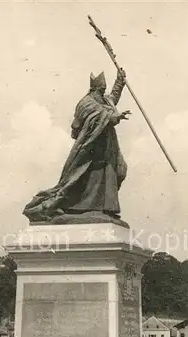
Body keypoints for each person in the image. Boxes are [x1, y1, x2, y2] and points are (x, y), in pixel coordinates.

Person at [23, 69, 131, 223]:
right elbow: (99, 114)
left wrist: (120, 81)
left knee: (114, 173)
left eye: (104, 89)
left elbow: (112, 99)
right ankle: (80, 208)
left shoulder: (103, 99)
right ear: (93, 88)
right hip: (90, 149)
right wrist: (114, 116)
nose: (103, 92)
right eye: (101, 89)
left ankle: (103, 209)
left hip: (106, 148)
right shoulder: (86, 102)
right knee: (84, 178)